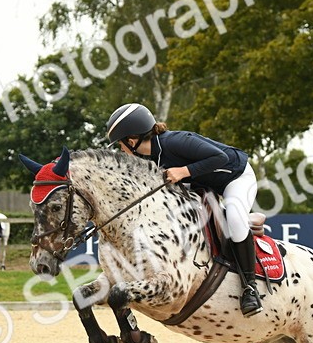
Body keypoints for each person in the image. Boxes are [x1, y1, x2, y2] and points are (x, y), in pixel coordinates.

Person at [105, 102, 262, 317]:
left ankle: (250, 289)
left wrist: (184, 171)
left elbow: (220, 158)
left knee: (234, 219)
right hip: (204, 185)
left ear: (131, 141)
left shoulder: (176, 141)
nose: (121, 149)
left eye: (120, 144)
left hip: (236, 177)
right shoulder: (152, 158)